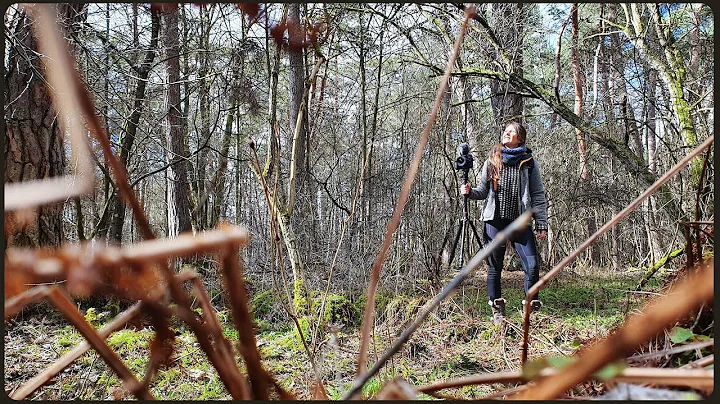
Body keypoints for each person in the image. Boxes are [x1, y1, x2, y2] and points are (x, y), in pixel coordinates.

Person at [460, 121, 548, 326]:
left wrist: (541, 223)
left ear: (520, 138)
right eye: (506, 131)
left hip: (521, 222)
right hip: (495, 221)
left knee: (533, 267)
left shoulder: (529, 162)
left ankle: (531, 311)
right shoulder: (492, 160)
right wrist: (469, 192)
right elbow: (482, 191)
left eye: (512, 131)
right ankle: (498, 314)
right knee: (494, 267)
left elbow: (537, 194)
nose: (507, 133)